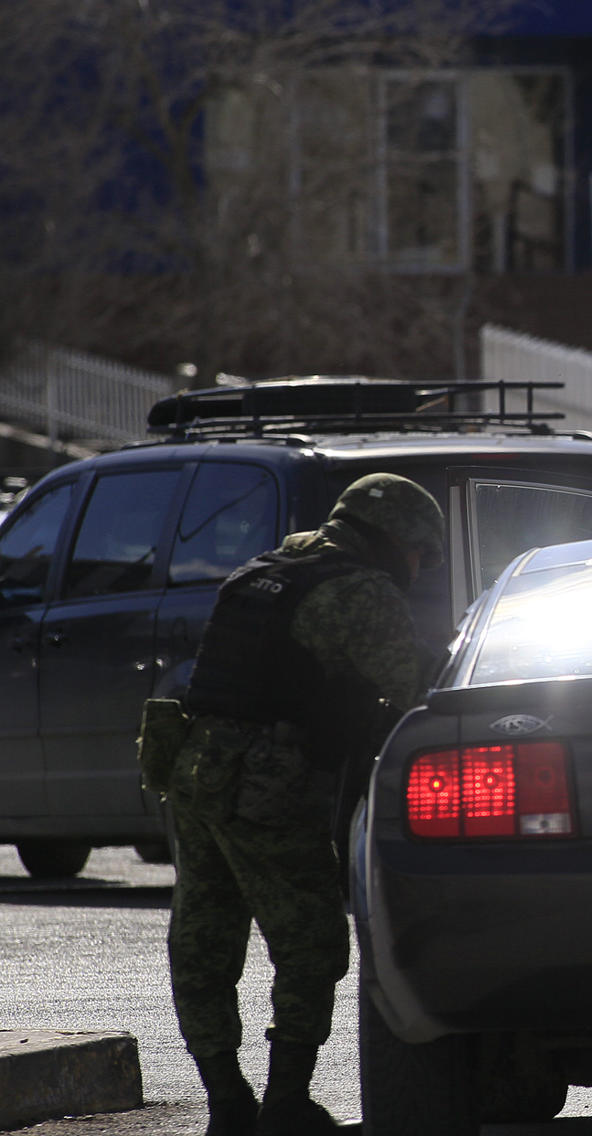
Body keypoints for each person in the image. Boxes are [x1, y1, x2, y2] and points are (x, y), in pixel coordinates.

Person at [166, 473, 445, 1134]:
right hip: (266, 781)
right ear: (395, 538)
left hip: (192, 769)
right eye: (418, 553)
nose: (416, 568)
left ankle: (227, 1103)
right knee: (311, 942)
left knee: (204, 939)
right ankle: (286, 1106)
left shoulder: (270, 567)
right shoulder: (358, 590)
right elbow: (417, 689)